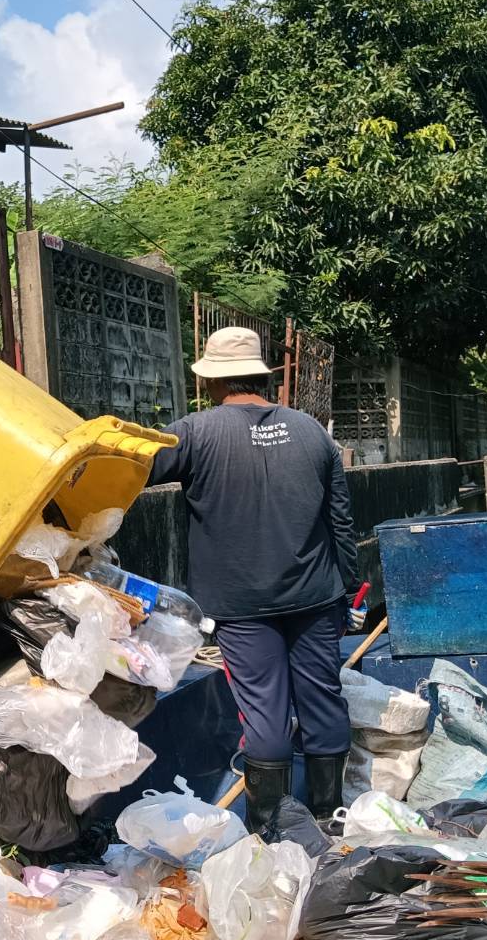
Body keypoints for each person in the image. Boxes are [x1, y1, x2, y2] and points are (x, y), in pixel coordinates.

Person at [148, 326, 359, 831]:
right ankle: (329, 816)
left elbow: (135, 468)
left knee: (265, 711)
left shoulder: (194, 433)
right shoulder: (312, 431)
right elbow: (341, 521)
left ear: (212, 381)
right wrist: (347, 588)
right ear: (261, 377)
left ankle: (271, 827)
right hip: (316, 595)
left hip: (240, 604)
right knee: (323, 699)